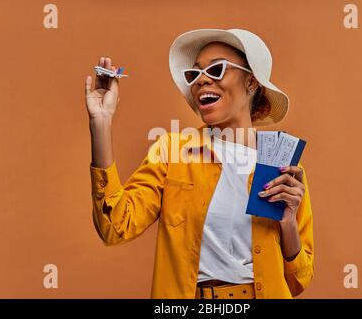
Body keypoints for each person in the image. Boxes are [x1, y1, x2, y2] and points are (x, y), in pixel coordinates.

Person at [85, 28, 314, 299]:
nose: (202, 80)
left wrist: (288, 224)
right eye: (194, 74)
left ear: (251, 82)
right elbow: (115, 226)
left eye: (217, 70)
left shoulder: (280, 162)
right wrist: (101, 122)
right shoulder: (173, 151)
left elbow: (299, 280)